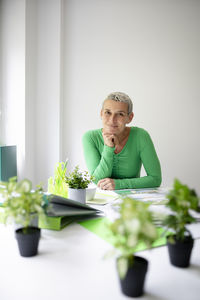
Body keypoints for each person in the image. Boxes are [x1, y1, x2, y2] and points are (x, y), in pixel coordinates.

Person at [82, 92, 162, 190]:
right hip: (101, 201)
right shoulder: (90, 137)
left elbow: (155, 179)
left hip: (132, 200)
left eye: (120, 114)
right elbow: (98, 180)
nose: (112, 120)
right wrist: (108, 147)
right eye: (108, 112)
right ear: (101, 113)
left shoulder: (141, 136)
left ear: (129, 118)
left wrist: (119, 184)